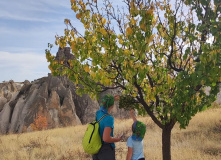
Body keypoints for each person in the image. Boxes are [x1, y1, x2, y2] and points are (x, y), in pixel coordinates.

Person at [92, 94, 122, 160]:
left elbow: (103, 106)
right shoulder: (109, 118)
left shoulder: (98, 113)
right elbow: (106, 139)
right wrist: (117, 139)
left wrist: (111, 99)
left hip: (96, 148)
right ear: (112, 106)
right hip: (106, 150)